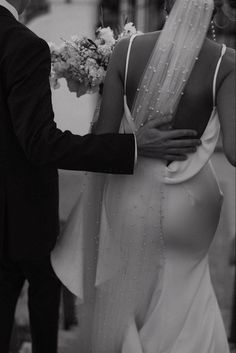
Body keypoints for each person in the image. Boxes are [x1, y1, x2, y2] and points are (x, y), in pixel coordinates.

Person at [0, 0, 201, 352]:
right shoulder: (21, 45)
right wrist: (131, 147)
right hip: (17, 218)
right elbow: (40, 144)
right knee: (40, 292)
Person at [51, 0, 235, 352]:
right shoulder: (226, 62)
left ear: (166, 5)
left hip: (130, 195)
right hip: (193, 207)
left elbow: (102, 143)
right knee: (188, 290)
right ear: (213, 11)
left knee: (127, 297)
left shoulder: (127, 49)